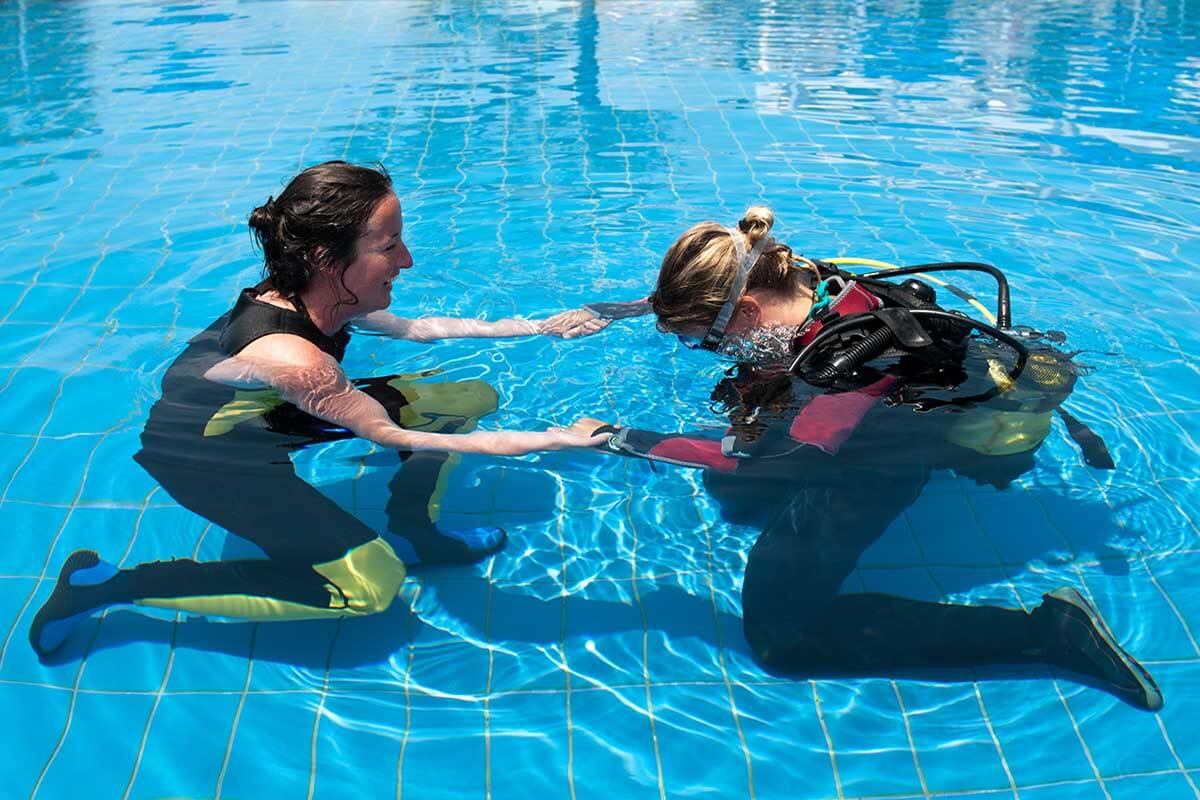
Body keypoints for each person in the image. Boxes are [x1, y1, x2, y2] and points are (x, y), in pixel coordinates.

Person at [569, 206, 1162, 711]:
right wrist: (617, 310)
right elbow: (719, 289)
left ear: (746, 311)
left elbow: (775, 463)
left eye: (701, 338)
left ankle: (1051, 634)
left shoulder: (848, 368)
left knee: (782, 641)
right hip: (869, 419)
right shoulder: (804, 279)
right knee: (732, 496)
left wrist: (619, 437)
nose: (706, 348)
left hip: (876, 466)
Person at [30, 161, 607, 660]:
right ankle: (105, 587)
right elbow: (391, 435)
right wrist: (558, 439)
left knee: (462, 401)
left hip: (269, 416)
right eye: (389, 246)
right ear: (327, 258)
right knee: (371, 585)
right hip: (211, 458)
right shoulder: (295, 359)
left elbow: (419, 329)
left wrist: (543, 327)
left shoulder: (321, 295)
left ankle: (415, 532)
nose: (407, 259)